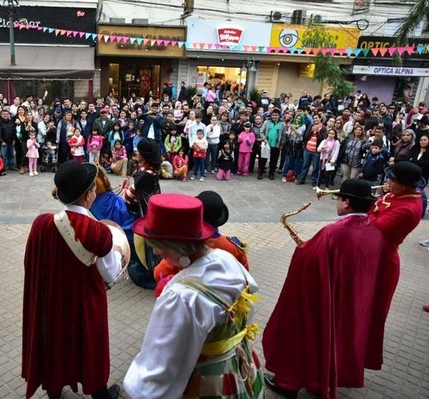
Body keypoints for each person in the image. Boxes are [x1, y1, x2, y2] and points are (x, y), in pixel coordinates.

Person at [124, 193, 263, 398]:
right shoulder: (227, 260)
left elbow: (161, 367)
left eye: (159, 246)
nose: (154, 252)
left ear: (176, 246)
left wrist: (138, 386)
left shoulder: (182, 296)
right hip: (242, 367)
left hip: (208, 383)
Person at [263, 179, 388, 399]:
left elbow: (308, 260)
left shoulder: (333, 232)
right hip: (354, 299)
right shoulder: (375, 231)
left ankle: (289, 382)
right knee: (339, 337)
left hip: (327, 297)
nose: (337, 203)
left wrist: (303, 249)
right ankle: (324, 377)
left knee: (307, 331)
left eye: (338, 199)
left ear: (346, 203)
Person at [22, 160, 123, 399]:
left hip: (51, 302)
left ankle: (54, 388)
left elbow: (30, 263)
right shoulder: (100, 232)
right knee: (90, 343)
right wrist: (118, 252)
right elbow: (111, 273)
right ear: (89, 195)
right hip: (85, 303)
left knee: (54, 340)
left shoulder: (41, 224)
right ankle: (99, 392)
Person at [367, 161, 423, 365]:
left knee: (368, 314)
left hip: (382, 263)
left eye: (394, 180)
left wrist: (365, 206)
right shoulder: (396, 194)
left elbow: (374, 227)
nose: (388, 182)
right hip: (371, 255)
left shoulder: (408, 208)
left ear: (407, 185)